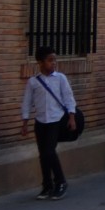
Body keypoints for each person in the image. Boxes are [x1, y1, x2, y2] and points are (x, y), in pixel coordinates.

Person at [21, 44, 78, 200]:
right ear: (40, 62)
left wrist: (72, 117)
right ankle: (47, 185)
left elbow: (68, 97)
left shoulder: (60, 78)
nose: (53, 63)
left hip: (56, 120)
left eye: (55, 60)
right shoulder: (33, 82)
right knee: (43, 154)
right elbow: (27, 101)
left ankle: (61, 182)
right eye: (50, 60)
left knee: (49, 151)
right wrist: (25, 121)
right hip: (41, 121)